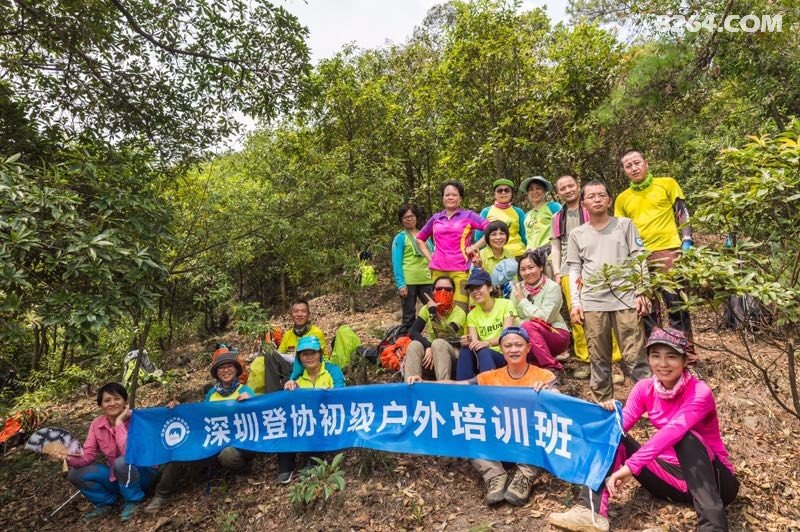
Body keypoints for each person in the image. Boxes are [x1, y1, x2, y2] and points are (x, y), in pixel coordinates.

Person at [548, 328, 738, 532]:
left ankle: (713, 527)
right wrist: (608, 416)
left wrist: (631, 466)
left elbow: (674, 430)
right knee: (614, 433)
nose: (662, 364)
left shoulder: (699, 392)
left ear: (685, 361)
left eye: (671, 357)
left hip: (715, 483)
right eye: (655, 356)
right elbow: (619, 426)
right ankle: (590, 511)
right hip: (670, 480)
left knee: (686, 437)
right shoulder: (644, 388)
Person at [407, 326, 558, 507]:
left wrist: (549, 392)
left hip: (528, 444)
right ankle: (494, 475)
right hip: (498, 441)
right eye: (508, 346)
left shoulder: (544, 376)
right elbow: (456, 385)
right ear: (501, 349)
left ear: (528, 348)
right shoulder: (490, 376)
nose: (513, 349)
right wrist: (424, 383)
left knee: (544, 428)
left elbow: (560, 405)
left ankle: (524, 477)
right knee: (468, 425)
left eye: (518, 345)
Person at [566, 181, 651, 402]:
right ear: (583, 203)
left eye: (601, 195)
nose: (597, 199)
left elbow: (638, 258)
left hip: (625, 299)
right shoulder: (577, 234)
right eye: (591, 196)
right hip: (593, 302)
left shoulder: (625, 225)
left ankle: (650, 406)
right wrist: (576, 302)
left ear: (609, 200)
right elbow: (574, 269)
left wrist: (642, 291)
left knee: (635, 358)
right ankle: (602, 407)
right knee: (599, 360)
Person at [145, 352, 255, 512]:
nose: (225, 370)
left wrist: (249, 401)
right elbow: (201, 417)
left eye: (229, 366)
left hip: (238, 443)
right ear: (216, 373)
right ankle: (161, 494)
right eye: (221, 368)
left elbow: (256, 417)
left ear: (236, 370)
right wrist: (177, 409)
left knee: (228, 454)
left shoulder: (245, 390)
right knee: (180, 451)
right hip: (212, 442)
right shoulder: (211, 394)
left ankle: (242, 470)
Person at [615, 149, 696, 361]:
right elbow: (621, 231)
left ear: (646, 163)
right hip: (639, 257)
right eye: (628, 166)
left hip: (668, 249)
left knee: (675, 302)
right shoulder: (622, 199)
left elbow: (682, 212)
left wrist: (687, 239)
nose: (634, 168)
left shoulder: (667, 183)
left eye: (637, 163)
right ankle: (656, 354)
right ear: (624, 170)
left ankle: (685, 352)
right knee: (647, 307)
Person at [549, 175, 622, 380]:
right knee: (577, 316)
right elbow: (555, 246)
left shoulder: (591, 208)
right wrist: (557, 272)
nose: (567, 190)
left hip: (596, 267)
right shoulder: (558, 217)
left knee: (606, 313)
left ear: (578, 186)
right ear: (558, 193)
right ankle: (586, 360)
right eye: (562, 188)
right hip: (568, 269)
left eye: (570, 186)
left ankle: (613, 362)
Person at [59, 382, 158, 521]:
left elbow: (128, 452)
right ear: (101, 405)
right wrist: (67, 457)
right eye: (107, 400)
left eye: (117, 399)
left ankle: (133, 500)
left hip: (144, 474)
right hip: (117, 477)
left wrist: (119, 423)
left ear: (125, 401)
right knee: (75, 474)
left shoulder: (137, 419)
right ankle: (106, 503)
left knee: (122, 461)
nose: (112, 403)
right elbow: (88, 455)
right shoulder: (96, 424)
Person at [277, 335, 347, 483]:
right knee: (284, 423)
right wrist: (288, 390)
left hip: (329, 418)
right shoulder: (297, 378)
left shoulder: (332, 371)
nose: (309, 357)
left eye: (313, 353)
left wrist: (330, 394)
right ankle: (285, 467)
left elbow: (342, 393)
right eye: (305, 354)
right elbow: (290, 406)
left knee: (313, 423)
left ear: (320, 354)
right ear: (299, 357)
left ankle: (312, 463)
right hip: (306, 420)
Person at [416, 181, 489, 309]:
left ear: (460, 198)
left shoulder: (469, 215)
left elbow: (490, 229)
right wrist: (429, 257)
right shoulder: (436, 218)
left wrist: (474, 246)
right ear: (442, 198)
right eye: (447, 195)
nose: (450, 197)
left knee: (460, 307)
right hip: (438, 270)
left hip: (460, 269)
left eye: (454, 195)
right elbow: (420, 239)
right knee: (440, 307)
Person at [247, 298, 328, 394]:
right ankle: (271, 395)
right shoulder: (288, 334)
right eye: (296, 311)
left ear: (308, 314)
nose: (299, 314)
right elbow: (278, 356)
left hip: (308, 367)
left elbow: (324, 357)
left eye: (303, 311)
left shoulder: (316, 332)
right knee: (269, 356)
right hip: (290, 369)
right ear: (291, 314)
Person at [509, 250, 569, 372]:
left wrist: (522, 300)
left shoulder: (552, 287)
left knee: (527, 326)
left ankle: (552, 367)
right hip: (526, 336)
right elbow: (511, 316)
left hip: (555, 333)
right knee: (521, 330)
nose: (527, 272)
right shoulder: (517, 288)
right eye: (523, 269)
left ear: (541, 267)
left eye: (531, 267)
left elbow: (545, 317)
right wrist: (524, 324)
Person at [403, 276, 468, 381]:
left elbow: (446, 336)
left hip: (453, 355)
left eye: (448, 289)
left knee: (439, 343)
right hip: (431, 356)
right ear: (433, 291)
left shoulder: (459, 313)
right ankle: (411, 384)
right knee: (414, 345)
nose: (443, 292)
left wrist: (433, 313)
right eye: (439, 289)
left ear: (453, 292)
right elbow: (413, 331)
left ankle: (443, 386)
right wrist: (428, 346)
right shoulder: (426, 308)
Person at [455, 268, 516, 380]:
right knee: (466, 350)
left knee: (483, 351)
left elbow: (507, 337)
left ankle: (489, 388)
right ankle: (462, 387)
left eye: (478, 287)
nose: (475, 292)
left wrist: (487, 343)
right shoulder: (471, 315)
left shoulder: (506, 304)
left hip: (505, 355)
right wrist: (469, 340)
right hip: (483, 357)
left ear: (490, 288)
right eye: (472, 289)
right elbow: (475, 343)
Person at [391, 204, 433, 334]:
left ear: (416, 217)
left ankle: (435, 338)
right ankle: (406, 340)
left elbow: (432, 255)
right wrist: (401, 284)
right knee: (409, 314)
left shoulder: (425, 236)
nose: (409, 219)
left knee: (433, 310)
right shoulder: (400, 238)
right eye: (406, 217)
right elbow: (396, 262)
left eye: (412, 216)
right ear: (401, 220)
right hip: (409, 282)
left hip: (427, 280)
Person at [476, 178, 527, 257]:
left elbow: (525, 236)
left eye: (507, 190)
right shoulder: (486, 211)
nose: (503, 193)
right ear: (495, 193)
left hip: (518, 254)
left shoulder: (518, 212)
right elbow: (478, 237)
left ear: (511, 193)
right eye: (500, 190)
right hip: (495, 256)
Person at [519, 175, 560, 252]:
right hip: (530, 256)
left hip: (550, 253)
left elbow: (562, 229)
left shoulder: (553, 207)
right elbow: (525, 239)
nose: (535, 192)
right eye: (531, 189)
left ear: (545, 191)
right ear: (528, 193)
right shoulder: (526, 216)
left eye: (538, 188)